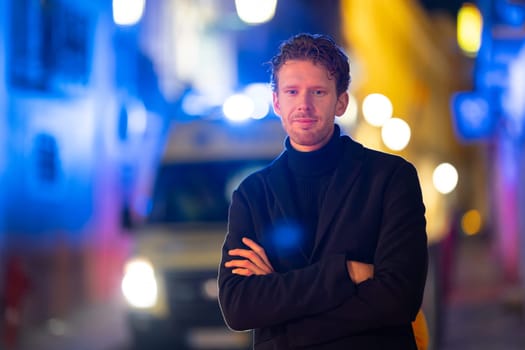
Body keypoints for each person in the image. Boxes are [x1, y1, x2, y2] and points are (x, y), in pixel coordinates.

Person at [218, 33, 428, 349]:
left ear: (340, 101)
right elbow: (238, 306)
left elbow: (399, 297)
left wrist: (283, 317)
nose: (304, 105)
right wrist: (344, 273)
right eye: (292, 91)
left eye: (318, 92)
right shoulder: (252, 194)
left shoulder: (392, 179)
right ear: (277, 102)